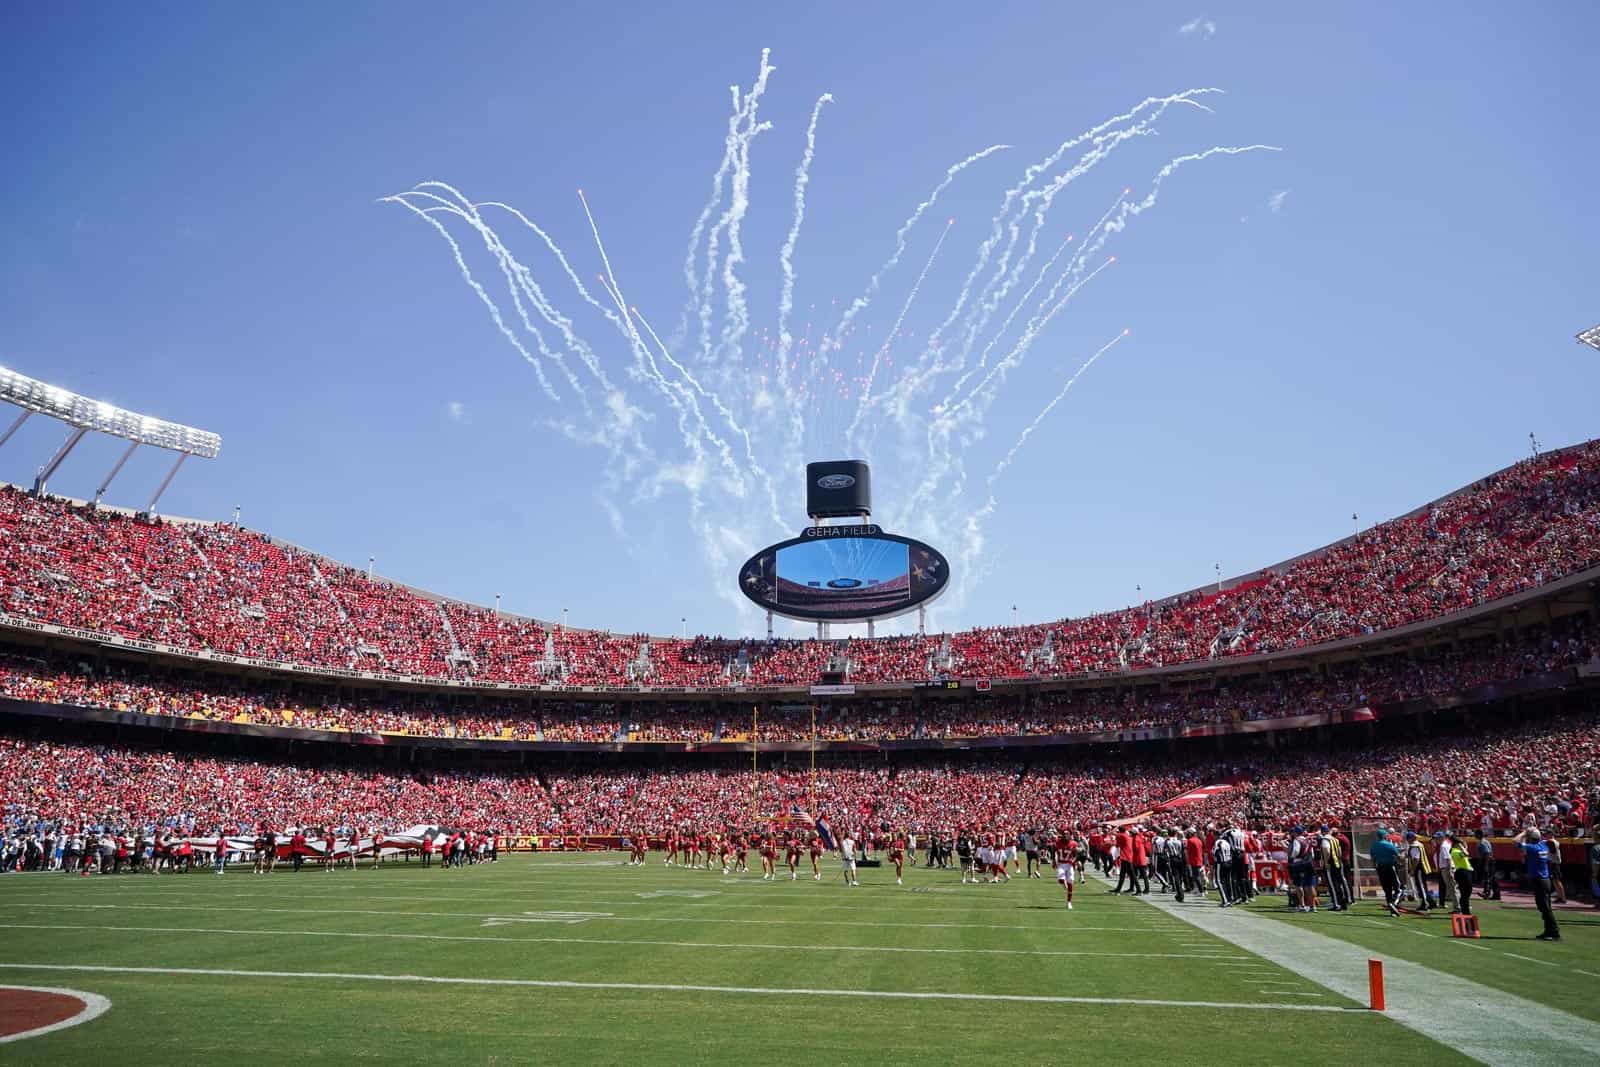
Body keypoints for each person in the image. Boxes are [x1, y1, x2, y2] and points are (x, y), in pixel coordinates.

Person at [1513, 827, 1561, 941]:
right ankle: (1548, 931)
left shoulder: (1532, 847)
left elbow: (1515, 841)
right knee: (1544, 906)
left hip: (1540, 880)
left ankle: (1554, 931)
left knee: (1545, 908)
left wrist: (1524, 832)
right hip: (1545, 880)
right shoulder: (1543, 845)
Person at [1370, 827, 1403, 917]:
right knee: (1399, 889)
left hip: (1380, 868)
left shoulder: (1374, 846)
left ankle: (1391, 908)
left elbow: (1372, 859)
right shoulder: (1389, 845)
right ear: (1385, 836)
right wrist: (1403, 857)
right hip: (1390, 867)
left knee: (1387, 890)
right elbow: (1398, 856)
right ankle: (1394, 904)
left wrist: (1375, 867)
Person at [1447, 833, 1474, 915]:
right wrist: (1462, 846)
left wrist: (1463, 846)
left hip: (1465, 872)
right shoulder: (1455, 851)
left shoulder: (1457, 850)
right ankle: (1465, 912)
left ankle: (1465, 910)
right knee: (1465, 893)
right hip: (1462, 872)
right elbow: (1466, 854)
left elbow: (1466, 852)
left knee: (1467, 892)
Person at [1474, 830, 1500, 900]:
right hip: (1489, 861)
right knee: (1493, 878)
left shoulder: (1482, 842)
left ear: (1479, 835)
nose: (1474, 835)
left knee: (1487, 877)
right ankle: (1497, 895)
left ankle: (1486, 893)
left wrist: (1486, 865)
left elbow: (1487, 853)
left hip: (1488, 861)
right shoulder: (1485, 841)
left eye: (1475, 834)